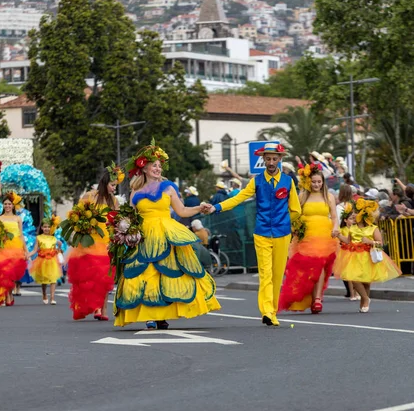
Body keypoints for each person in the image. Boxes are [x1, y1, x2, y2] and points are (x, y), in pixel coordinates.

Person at [114, 141, 220, 330]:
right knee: (147, 274)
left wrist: (199, 208)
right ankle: (150, 316)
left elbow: (182, 211)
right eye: (154, 165)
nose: (157, 168)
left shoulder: (169, 187)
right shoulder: (135, 191)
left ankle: (163, 315)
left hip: (166, 234)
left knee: (168, 274)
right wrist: (123, 229)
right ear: (144, 167)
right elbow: (130, 216)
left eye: (159, 165)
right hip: (144, 236)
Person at [202, 141, 301, 326]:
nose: (271, 162)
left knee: (278, 274)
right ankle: (268, 312)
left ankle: (272, 309)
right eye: (268, 159)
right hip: (262, 232)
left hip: (282, 233)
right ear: (263, 159)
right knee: (265, 273)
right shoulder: (257, 181)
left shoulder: (288, 182)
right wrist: (216, 207)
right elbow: (239, 198)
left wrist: (291, 226)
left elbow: (295, 209)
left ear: (280, 159)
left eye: (274, 159)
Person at [279, 163, 339, 314]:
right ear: (308, 182)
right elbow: (295, 215)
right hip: (306, 235)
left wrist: (335, 227)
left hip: (324, 235)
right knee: (307, 269)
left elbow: (334, 216)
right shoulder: (302, 196)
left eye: (319, 182)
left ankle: (317, 298)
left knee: (321, 264)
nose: (317, 184)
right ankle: (310, 297)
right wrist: (295, 229)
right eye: (314, 181)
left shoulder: (329, 197)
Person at [67, 166, 121, 322]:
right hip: (89, 242)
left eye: (116, 186)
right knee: (91, 276)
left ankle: (103, 309)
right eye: (112, 185)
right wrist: (82, 226)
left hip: (106, 242)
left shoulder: (114, 201)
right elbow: (76, 215)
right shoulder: (89, 196)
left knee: (104, 277)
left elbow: (116, 220)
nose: (114, 188)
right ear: (105, 183)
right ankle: (94, 306)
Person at [334, 199, 401, 312]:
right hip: (354, 257)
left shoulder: (373, 228)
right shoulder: (353, 228)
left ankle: (364, 302)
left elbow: (380, 245)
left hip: (368, 257)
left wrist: (369, 242)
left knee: (366, 281)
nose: (354, 214)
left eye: (356, 211)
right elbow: (348, 241)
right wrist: (338, 235)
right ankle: (365, 298)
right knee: (353, 278)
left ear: (363, 214)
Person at [0, 192, 28, 306]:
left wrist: (25, 250)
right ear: (3, 205)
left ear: (13, 206)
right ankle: (5, 295)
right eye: (5, 204)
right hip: (1, 248)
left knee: (12, 275)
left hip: (15, 248)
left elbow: (21, 235)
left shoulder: (18, 218)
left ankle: (10, 293)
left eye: (9, 204)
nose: (7, 206)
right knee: (4, 273)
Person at [28, 216, 62, 305]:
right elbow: (35, 250)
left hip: (52, 260)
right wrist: (28, 255)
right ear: (42, 228)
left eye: (48, 227)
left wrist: (59, 246)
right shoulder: (39, 237)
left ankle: (52, 298)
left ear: (51, 228)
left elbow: (56, 250)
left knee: (53, 279)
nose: (47, 228)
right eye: (45, 227)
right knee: (44, 280)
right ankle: (44, 294)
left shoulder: (54, 238)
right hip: (42, 261)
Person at [337, 202, 360, 300]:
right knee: (349, 275)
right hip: (346, 252)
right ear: (345, 220)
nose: (353, 221)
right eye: (350, 219)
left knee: (356, 273)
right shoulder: (342, 229)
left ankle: (357, 293)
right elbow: (341, 240)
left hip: (356, 252)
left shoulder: (356, 228)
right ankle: (352, 294)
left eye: (354, 219)